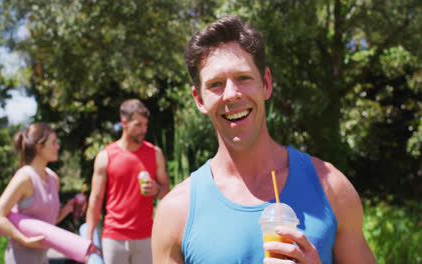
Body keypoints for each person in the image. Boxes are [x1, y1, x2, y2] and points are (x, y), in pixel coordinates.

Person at [152, 15, 377, 264]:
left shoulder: (331, 188)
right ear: (199, 100)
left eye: (243, 78)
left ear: (266, 83)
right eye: (216, 84)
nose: (231, 94)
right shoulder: (176, 212)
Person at [86, 98, 170, 264]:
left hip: (146, 236)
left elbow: (166, 192)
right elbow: (95, 200)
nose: (144, 129)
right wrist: (89, 237)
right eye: (138, 125)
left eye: (145, 125)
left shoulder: (155, 153)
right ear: (124, 123)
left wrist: (157, 190)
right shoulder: (105, 156)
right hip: (113, 237)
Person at [0, 123, 84, 264]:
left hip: (42, 258)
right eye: (53, 143)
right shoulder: (25, 178)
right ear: (39, 148)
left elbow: (47, 221)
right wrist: (23, 239)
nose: (58, 147)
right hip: (20, 256)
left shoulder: (54, 179)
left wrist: (68, 208)